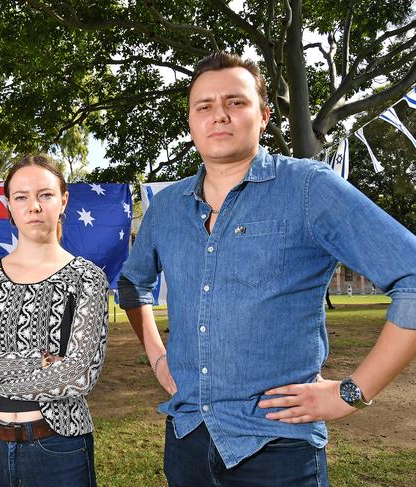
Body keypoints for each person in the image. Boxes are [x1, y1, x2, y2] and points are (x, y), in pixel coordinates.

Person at [118, 52, 416, 486]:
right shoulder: (165, 207)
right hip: (186, 442)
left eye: (236, 102)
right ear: (191, 123)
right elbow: (132, 282)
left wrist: (352, 393)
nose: (219, 115)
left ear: (263, 116)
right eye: (204, 106)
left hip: (277, 447)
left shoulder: (309, 187)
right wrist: (157, 356)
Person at [0, 154, 108, 487]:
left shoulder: (86, 278)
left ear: (63, 201)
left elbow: (79, 375)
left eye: (45, 194)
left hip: (58, 447)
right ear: (8, 206)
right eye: (21, 197)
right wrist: (36, 361)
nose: (34, 206)